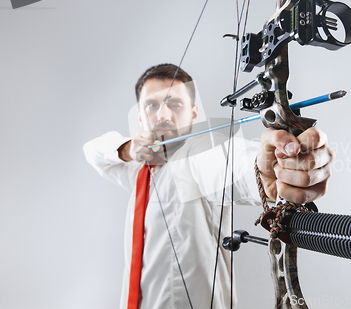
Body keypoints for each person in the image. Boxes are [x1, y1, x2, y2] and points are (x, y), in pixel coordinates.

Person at [83, 64, 334, 309]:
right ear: (139, 115)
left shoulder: (198, 155)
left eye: (174, 103)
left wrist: (268, 167)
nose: (163, 115)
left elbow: (229, 163)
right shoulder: (137, 170)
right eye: (152, 105)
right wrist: (127, 148)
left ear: (193, 113)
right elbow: (92, 151)